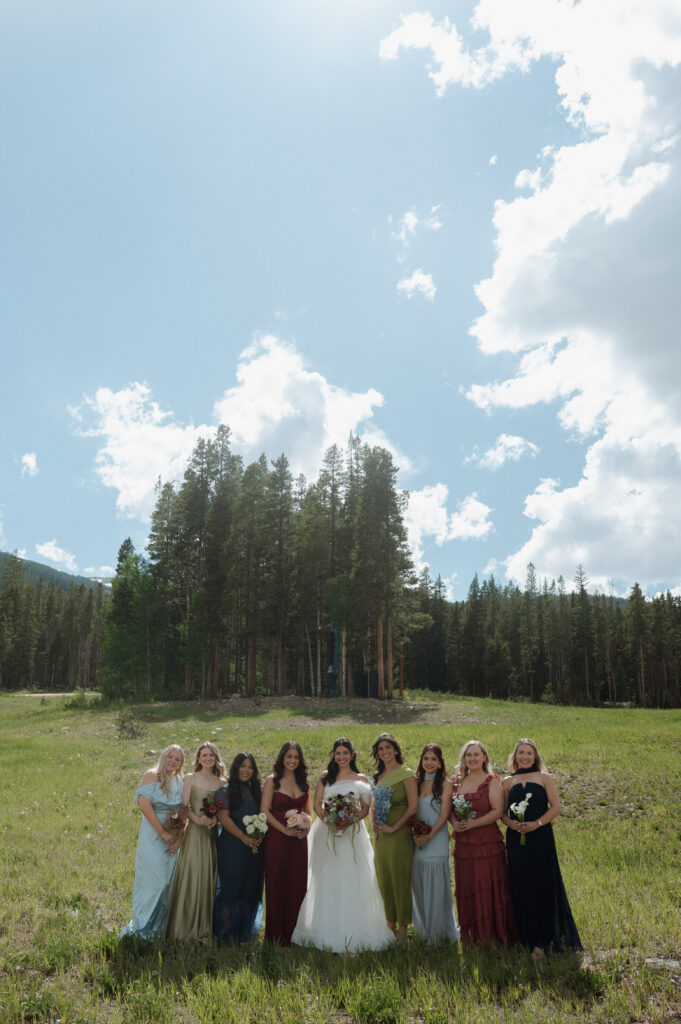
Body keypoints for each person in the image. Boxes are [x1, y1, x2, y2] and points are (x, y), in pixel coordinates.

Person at [292, 738, 394, 953]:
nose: (341, 757)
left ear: (352, 755)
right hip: (327, 834)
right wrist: (330, 821)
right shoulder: (325, 777)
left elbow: (366, 808)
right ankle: (323, 929)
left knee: (353, 876)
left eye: (345, 753)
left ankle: (355, 928)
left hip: (353, 834)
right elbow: (317, 805)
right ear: (333, 755)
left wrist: (350, 820)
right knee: (328, 877)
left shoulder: (362, 779)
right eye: (338, 753)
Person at [502, 738, 582, 957]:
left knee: (542, 881)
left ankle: (545, 937)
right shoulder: (506, 782)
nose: (525, 757)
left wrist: (536, 824)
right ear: (515, 756)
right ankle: (528, 937)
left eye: (529, 753)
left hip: (541, 837)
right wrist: (513, 824)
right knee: (521, 883)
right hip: (516, 839)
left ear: (535, 757)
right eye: (521, 753)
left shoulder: (545, 778)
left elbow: (556, 807)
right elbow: (501, 812)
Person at [450, 739, 516, 944]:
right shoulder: (457, 782)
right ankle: (471, 934)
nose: (472, 758)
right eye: (469, 755)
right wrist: (455, 822)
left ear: (484, 757)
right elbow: (450, 809)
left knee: (486, 885)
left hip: (486, 843)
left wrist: (474, 824)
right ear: (464, 758)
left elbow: (497, 811)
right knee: (468, 885)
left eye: (476, 754)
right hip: (463, 843)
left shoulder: (491, 781)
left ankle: (491, 934)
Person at [121, 744, 185, 939]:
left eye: (178, 759)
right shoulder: (151, 775)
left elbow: (184, 811)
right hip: (152, 835)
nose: (173, 761)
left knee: (168, 882)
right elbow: (144, 805)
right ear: (163, 756)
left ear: (182, 763)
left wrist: (179, 837)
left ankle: (161, 928)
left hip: (173, 838)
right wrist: (163, 834)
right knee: (153, 882)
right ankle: (143, 927)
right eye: (170, 757)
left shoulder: (180, 782)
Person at [163, 741, 226, 942]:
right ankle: (184, 927)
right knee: (192, 875)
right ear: (198, 758)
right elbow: (183, 807)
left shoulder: (222, 782)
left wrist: (216, 819)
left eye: (211, 755)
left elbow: (225, 809)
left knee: (208, 877)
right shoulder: (191, 778)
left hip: (211, 836)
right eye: (204, 755)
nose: (208, 758)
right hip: (195, 834)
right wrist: (196, 819)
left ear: (216, 758)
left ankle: (203, 927)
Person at [261, 741, 312, 946]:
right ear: (282, 757)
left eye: (296, 757)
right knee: (276, 884)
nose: (292, 760)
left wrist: (306, 827)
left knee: (297, 885)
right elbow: (264, 811)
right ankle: (276, 937)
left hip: (299, 842)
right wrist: (284, 830)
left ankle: (295, 936)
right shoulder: (272, 781)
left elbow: (309, 812)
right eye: (289, 756)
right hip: (277, 839)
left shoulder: (305, 782)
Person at [370, 732, 418, 941]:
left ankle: (403, 928)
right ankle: (388, 924)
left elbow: (413, 807)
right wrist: (373, 822)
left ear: (396, 749)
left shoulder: (406, 773)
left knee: (400, 878)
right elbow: (373, 803)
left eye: (388, 748)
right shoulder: (378, 776)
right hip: (381, 836)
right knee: (384, 877)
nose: (384, 752)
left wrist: (394, 827)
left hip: (400, 833)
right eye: (380, 749)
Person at [213, 752, 265, 945]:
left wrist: (260, 835)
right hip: (233, 846)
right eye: (242, 766)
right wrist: (243, 837)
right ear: (235, 768)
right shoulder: (225, 790)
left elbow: (264, 814)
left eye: (250, 767)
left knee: (250, 888)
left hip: (255, 848)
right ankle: (226, 934)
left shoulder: (258, 789)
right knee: (232, 888)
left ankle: (245, 932)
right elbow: (223, 818)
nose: (246, 770)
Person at [411, 743, 459, 945]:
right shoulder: (416, 782)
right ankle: (423, 930)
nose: (429, 763)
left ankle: (438, 935)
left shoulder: (446, 783)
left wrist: (429, 836)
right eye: (426, 759)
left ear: (440, 763)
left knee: (436, 888)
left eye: (434, 759)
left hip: (436, 839)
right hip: (417, 841)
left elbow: (445, 814)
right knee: (420, 885)